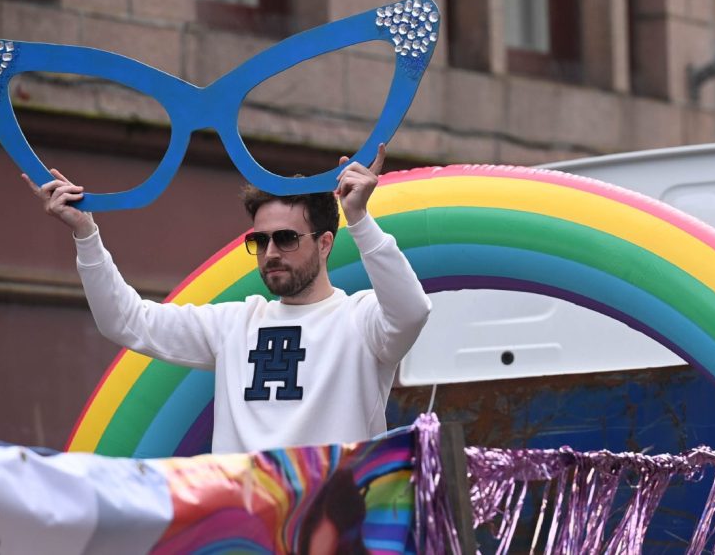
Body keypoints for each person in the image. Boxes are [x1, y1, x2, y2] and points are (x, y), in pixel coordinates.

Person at [23, 144, 431, 454]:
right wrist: (85, 234)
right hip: (244, 534)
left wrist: (358, 218)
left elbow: (411, 311)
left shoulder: (359, 320)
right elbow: (124, 321)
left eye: (286, 238)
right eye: (260, 240)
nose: (271, 252)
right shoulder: (234, 324)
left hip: (330, 532)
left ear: (325, 243)